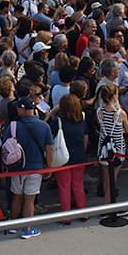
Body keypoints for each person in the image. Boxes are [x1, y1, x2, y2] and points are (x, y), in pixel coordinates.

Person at [3, 96, 54, 239]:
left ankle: (12, 225)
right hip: (36, 168)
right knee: (30, 200)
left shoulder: (13, 126)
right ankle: (27, 229)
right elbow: (50, 148)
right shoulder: (44, 126)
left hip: (16, 168)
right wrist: (48, 167)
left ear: (22, 109)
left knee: (16, 198)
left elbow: (5, 146)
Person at [52, 91, 87, 224]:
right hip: (79, 156)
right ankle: (83, 212)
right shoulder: (82, 119)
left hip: (63, 158)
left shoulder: (58, 122)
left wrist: (51, 114)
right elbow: (85, 137)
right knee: (78, 185)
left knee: (64, 186)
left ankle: (66, 215)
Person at [96, 83, 128, 213]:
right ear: (115, 96)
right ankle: (109, 207)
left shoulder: (99, 112)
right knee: (112, 179)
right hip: (117, 150)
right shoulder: (120, 113)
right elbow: (127, 129)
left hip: (103, 149)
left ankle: (106, 204)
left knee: (105, 179)